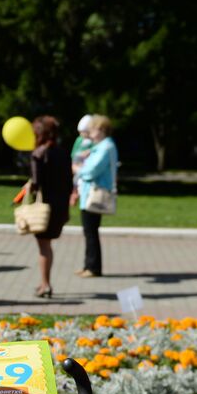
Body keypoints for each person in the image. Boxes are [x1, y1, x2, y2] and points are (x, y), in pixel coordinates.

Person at [28, 115, 72, 297]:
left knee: (43, 247)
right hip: (61, 205)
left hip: (44, 208)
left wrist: (29, 186)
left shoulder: (38, 154)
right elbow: (69, 181)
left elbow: (37, 183)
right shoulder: (63, 153)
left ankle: (45, 284)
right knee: (47, 246)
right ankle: (44, 282)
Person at [74, 114, 116, 278]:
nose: (90, 132)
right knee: (88, 231)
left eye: (93, 128)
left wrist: (78, 169)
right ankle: (88, 265)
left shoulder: (105, 148)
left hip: (95, 194)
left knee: (91, 231)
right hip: (89, 193)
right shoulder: (101, 146)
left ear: (102, 130)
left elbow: (92, 170)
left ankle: (93, 267)